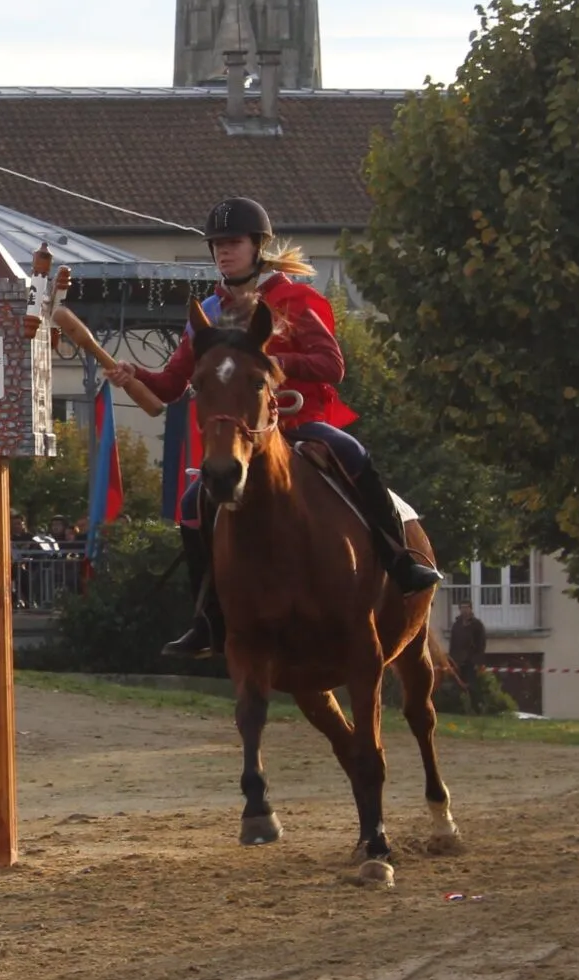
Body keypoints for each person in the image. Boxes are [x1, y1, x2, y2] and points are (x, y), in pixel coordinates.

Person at [115, 196, 443, 661]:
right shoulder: (208, 311)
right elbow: (171, 386)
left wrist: (270, 363)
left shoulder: (297, 299)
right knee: (191, 505)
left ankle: (400, 560)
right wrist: (134, 374)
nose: (223, 253)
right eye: (217, 246)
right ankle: (208, 619)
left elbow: (332, 365)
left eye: (233, 243)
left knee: (352, 455)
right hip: (244, 441)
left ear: (257, 246)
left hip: (301, 428)